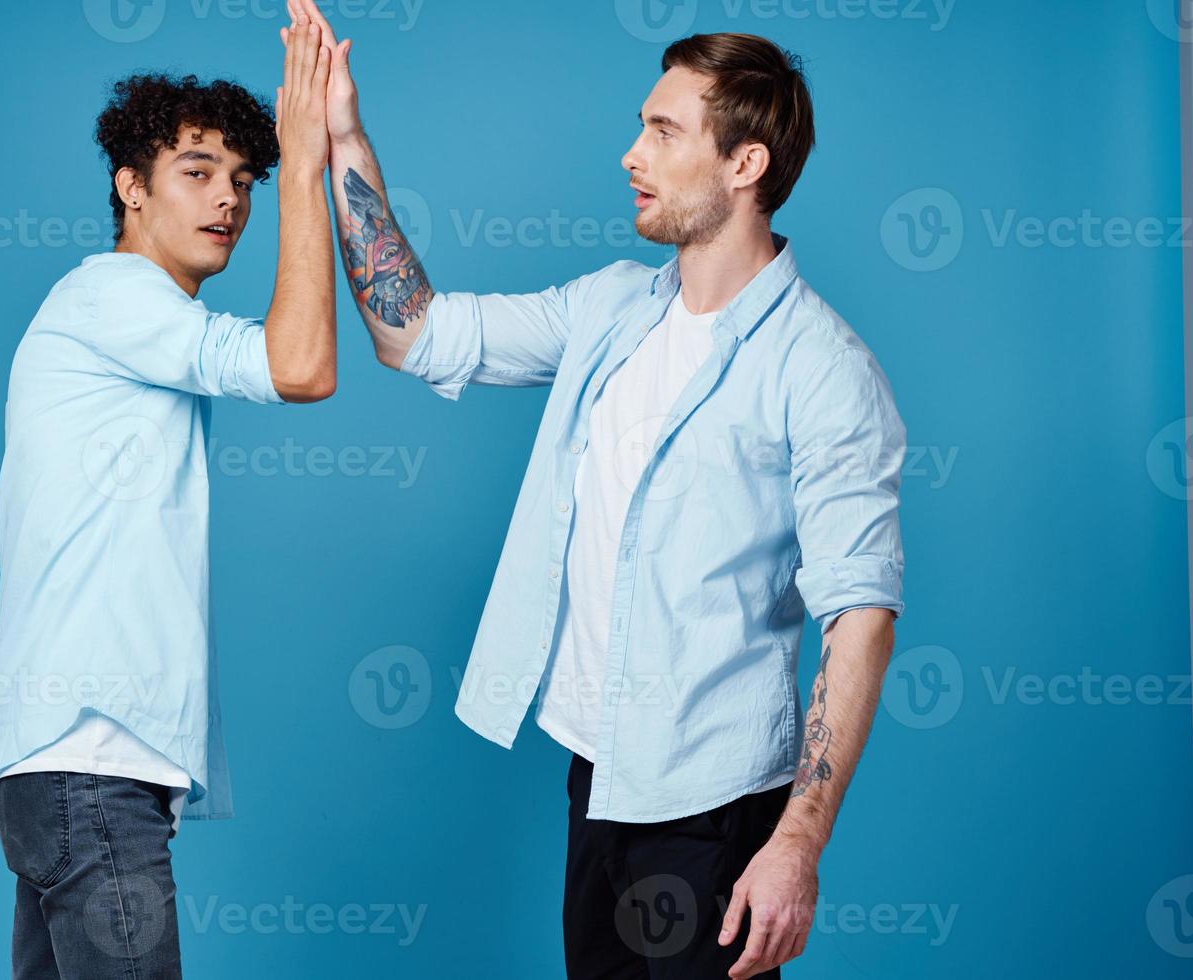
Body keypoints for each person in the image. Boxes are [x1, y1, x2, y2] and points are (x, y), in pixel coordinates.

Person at [287, 2, 907, 976]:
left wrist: (796, 842)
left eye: (663, 132)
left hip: (714, 814)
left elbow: (860, 616)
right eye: (640, 125)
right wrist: (347, 139)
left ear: (746, 165)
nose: (631, 153)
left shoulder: (822, 369)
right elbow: (415, 332)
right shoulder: (611, 305)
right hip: (596, 783)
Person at [0, 18, 338, 978]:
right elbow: (299, 367)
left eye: (246, 179)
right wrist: (304, 168)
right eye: (198, 171)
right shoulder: (115, 296)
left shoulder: (141, 325)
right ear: (132, 188)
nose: (229, 198)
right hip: (89, 761)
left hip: (64, 765)